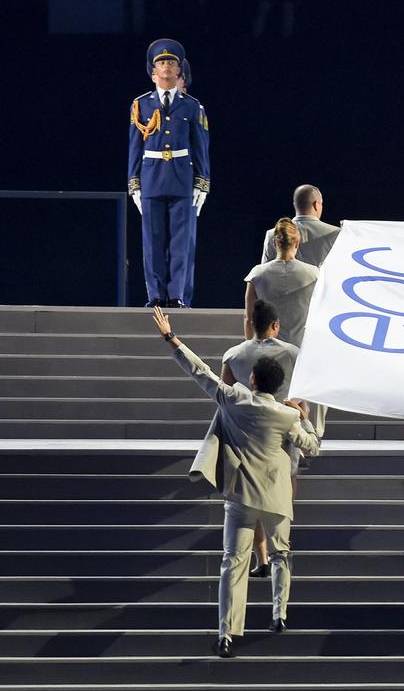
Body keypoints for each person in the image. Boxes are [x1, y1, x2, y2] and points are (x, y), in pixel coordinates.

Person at [151, 306, 319, 659]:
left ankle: (226, 633)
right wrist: (303, 417)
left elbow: (200, 372)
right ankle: (279, 615)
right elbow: (312, 446)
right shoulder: (287, 415)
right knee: (281, 554)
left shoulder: (234, 399)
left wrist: (171, 338)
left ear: (253, 379)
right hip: (277, 495)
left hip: (241, 494)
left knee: (233, 562)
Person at [219, 299, 303, 580]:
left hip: (248, 433)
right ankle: (280, 546)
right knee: (283, 486)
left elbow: (225, 398)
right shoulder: (292, 353)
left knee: (251, 493)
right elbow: (303, 394)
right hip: (284, 427)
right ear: (275, 325)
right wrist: (303, 420)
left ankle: (261, 557)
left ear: (251, 324)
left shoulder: (233, 354)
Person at [128, 39, 211, 308]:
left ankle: (176, 295)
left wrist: (202, 182)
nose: (166, 66)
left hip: (181, 177)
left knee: (180, 241)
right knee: (152, 241)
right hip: (152, 177)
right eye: (161, 62)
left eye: (171, 62)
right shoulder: (141, 105)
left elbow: (201, 147)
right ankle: (155, 295)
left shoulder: (192, 106)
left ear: (179, 71)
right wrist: (134, 182)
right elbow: (134, 147)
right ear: (153, 72)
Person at [246, 218, 319, 347]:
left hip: (267, 350)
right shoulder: (314, 273)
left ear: (274, 243)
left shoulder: (257, 273)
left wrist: (252, 349)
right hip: (302, 348)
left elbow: (249, 318)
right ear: (297, 244)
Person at [262, 185, 339, 267]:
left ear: (295, 205)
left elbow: (266, 271)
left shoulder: (272, 234)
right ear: (316, 204)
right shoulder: (337, 234)